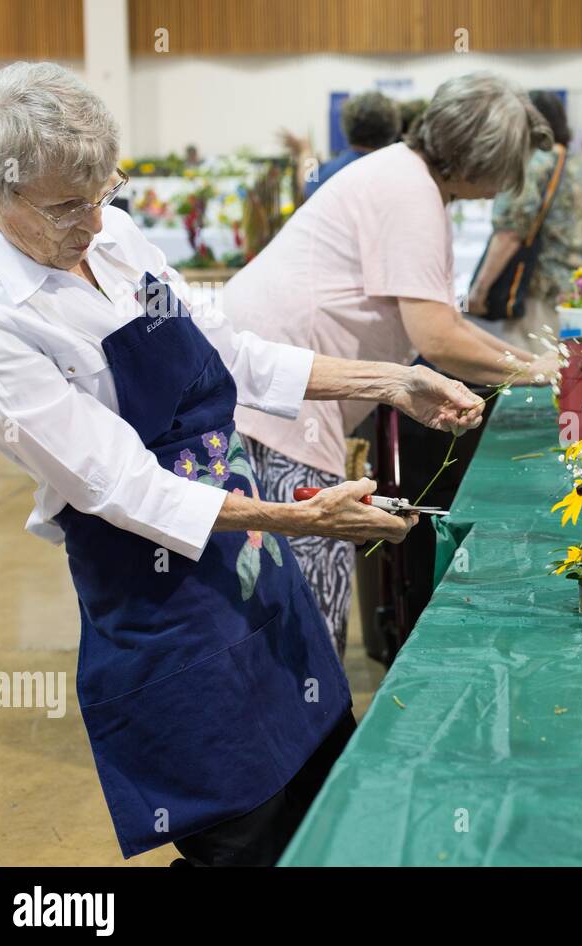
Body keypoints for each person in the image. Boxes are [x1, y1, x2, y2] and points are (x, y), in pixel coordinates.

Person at [0, 62, 484, 865]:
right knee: (242, 830)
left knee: (319, 788)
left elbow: (228, 354)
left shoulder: (117, 237)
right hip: (159, 595)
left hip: (250, 560)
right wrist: (300, 519)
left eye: (104, 191)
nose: (94, 223)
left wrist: (390, 380)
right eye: (68, 206)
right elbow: (118, 483)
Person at [227, 72, 556, 659]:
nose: (507, 185)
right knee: (310, 587)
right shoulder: (410, 190)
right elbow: (438, 336)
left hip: (277, 394)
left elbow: (437, 324)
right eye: (507, 168)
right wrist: (539, 369)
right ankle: (312, 738)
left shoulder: (403, 176)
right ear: (479, 159)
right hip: (276, 407)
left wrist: (528, 362)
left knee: (297, 590)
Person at [466, 90, 582, 351]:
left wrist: (478, 292)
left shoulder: (532, 164)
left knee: (536, 377)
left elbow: (509, 234)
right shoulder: (577, 164)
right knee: (569, 373)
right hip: (577, 293)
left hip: (538, 294)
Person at [304, 90, 401, 202]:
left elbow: (308, 185)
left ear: (345, 127)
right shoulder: (405, 173)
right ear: (394, 129)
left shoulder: (326, 172)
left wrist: (305, 150)